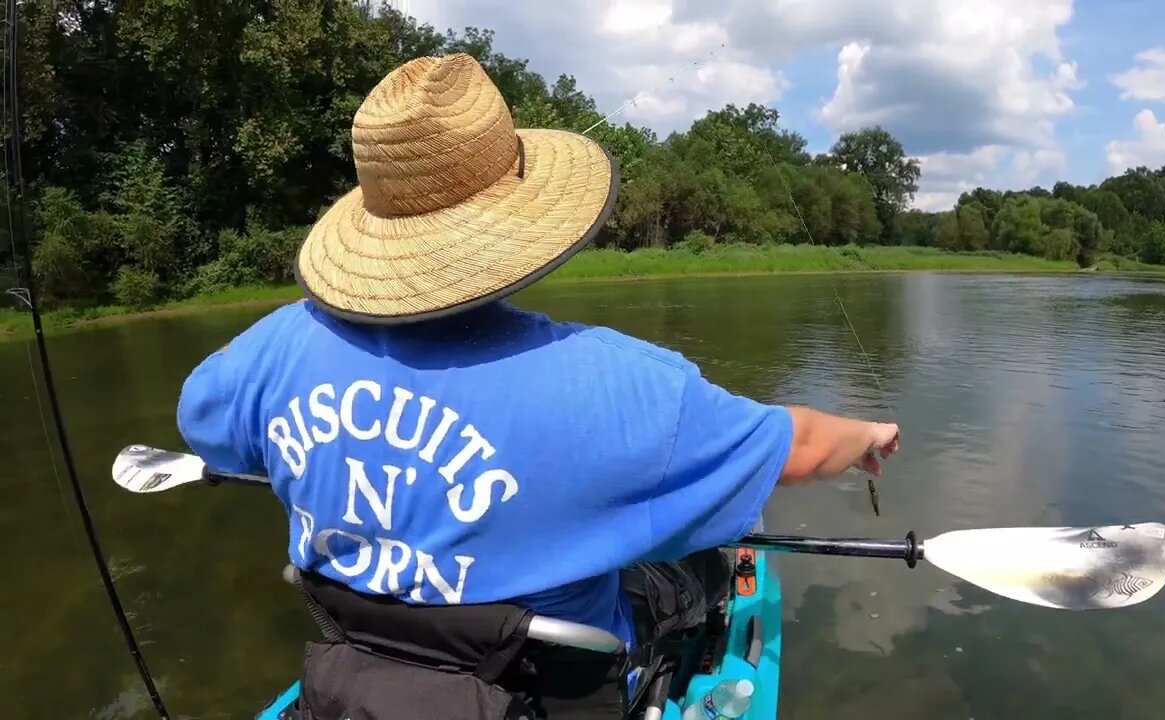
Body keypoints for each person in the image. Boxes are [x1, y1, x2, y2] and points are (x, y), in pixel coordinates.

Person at [175, 53, 900, 719]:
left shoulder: (276, 348)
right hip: (544, 696)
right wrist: (865, 436)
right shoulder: (625, 386)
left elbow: (207, 427)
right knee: (700, 559)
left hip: (356, 674)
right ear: (519, 217)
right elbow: (798, 447)